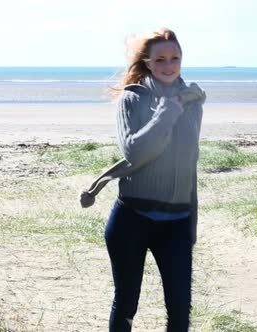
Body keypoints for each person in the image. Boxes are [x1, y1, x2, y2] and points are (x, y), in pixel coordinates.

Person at [87, 27, 206, 331]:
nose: (169, 65)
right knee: (127, 303)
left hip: (178, 222)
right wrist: (165, 113)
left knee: (180, 310)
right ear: (148, 63)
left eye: (175, 58)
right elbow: (135, 152)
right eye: (161, 59)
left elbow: (188, 163)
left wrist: (191, 225)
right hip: (132, 219)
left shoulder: (192, 102)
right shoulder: (132, 99)